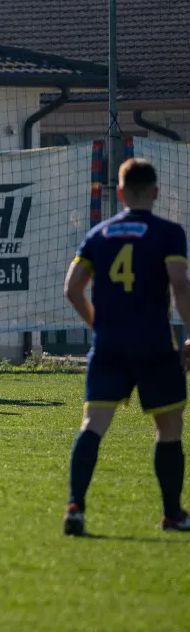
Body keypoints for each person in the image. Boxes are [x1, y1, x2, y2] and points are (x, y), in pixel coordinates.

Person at [62, 158, 190, 535]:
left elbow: (71, 289)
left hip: (109, 346)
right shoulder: (169, 232)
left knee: (92, 425)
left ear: (118, 192)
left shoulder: (99, 234)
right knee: (168, 429)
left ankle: (76, 507)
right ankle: (172, 515)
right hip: (153, 344)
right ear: (155, 191)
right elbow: (180, 284)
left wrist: (98, 324)